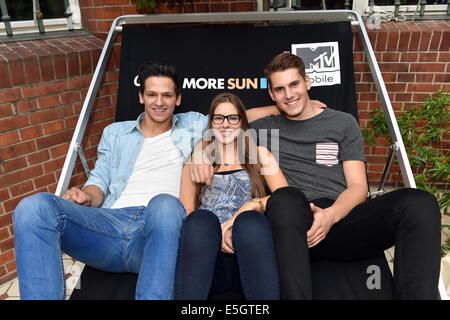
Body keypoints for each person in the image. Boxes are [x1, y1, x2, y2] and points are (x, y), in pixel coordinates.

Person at [12, 60, 276, 300]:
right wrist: (86, 196)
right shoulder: (114, 133)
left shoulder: (195, 124)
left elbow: (237, 117)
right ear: (141, 96)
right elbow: (99, 181)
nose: (159, 102)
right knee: (32, 208)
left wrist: (284, 105)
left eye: (166, 95)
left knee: (164, 204)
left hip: (160, 227)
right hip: (108, 227)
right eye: (152, 94)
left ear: (178, 99)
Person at [191, 53, 442, 300]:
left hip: (341, 217)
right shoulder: (266, 129)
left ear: (307, 82)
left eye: (294, 85)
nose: (289, 94)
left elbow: (358, 186)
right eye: (279, 89)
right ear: (271, 94)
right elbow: (227, 122)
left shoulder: (343, 123)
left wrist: (330, 217)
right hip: (293, 223)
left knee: (420, 203)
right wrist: (200, 152)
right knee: (286, 198)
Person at [174, 92, 288, 300]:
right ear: (211, 123)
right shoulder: (196, 161)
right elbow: (186, 212)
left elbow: (285, 200)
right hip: (208, 260)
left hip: (252, 254)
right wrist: (216, 234)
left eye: (232, 118)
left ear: (242, 122)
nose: (225, 124)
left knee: (250, 221)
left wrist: (250, 206)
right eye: (219, 118)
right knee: (199, 220)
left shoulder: (260, 154)